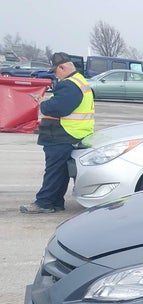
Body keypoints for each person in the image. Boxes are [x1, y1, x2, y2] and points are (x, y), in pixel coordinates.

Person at [20, 52, 94, 214]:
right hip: (73, 133)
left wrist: (43, 103)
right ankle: (56, 202)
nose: (55, 74)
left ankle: (44, 202)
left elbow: (57, 108)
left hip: (62, 134)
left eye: (55, 71)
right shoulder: (80, 81)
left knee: (53, 171)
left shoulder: (69, 85)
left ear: (62, 67)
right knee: (60, 171)